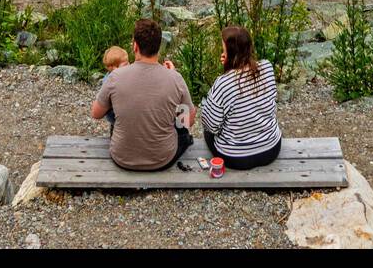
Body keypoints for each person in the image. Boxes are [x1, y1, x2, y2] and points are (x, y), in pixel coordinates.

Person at [91, 19, 195, 170]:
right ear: (159, 47)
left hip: (122, 157)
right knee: (183, 133)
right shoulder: (175, 78)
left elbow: (96, 113)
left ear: (135, 46)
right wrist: (172, 77)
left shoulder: (115, 77)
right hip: (162, 159)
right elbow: (187, 122)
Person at [199, 25, 282, 170]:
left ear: (230, 53)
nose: (222, 52)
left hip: (236, 157)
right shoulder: (267, 67)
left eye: (224, 50)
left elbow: (210, 125)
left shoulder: (223, 83)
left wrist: (227, 72)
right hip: (271, 149)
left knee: (207, 132)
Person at [100, 45, 129, 132]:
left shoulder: (124, 76)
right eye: (126, 64)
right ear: (115, 68)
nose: (130, 65)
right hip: (115, 117)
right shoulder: (109, 82)